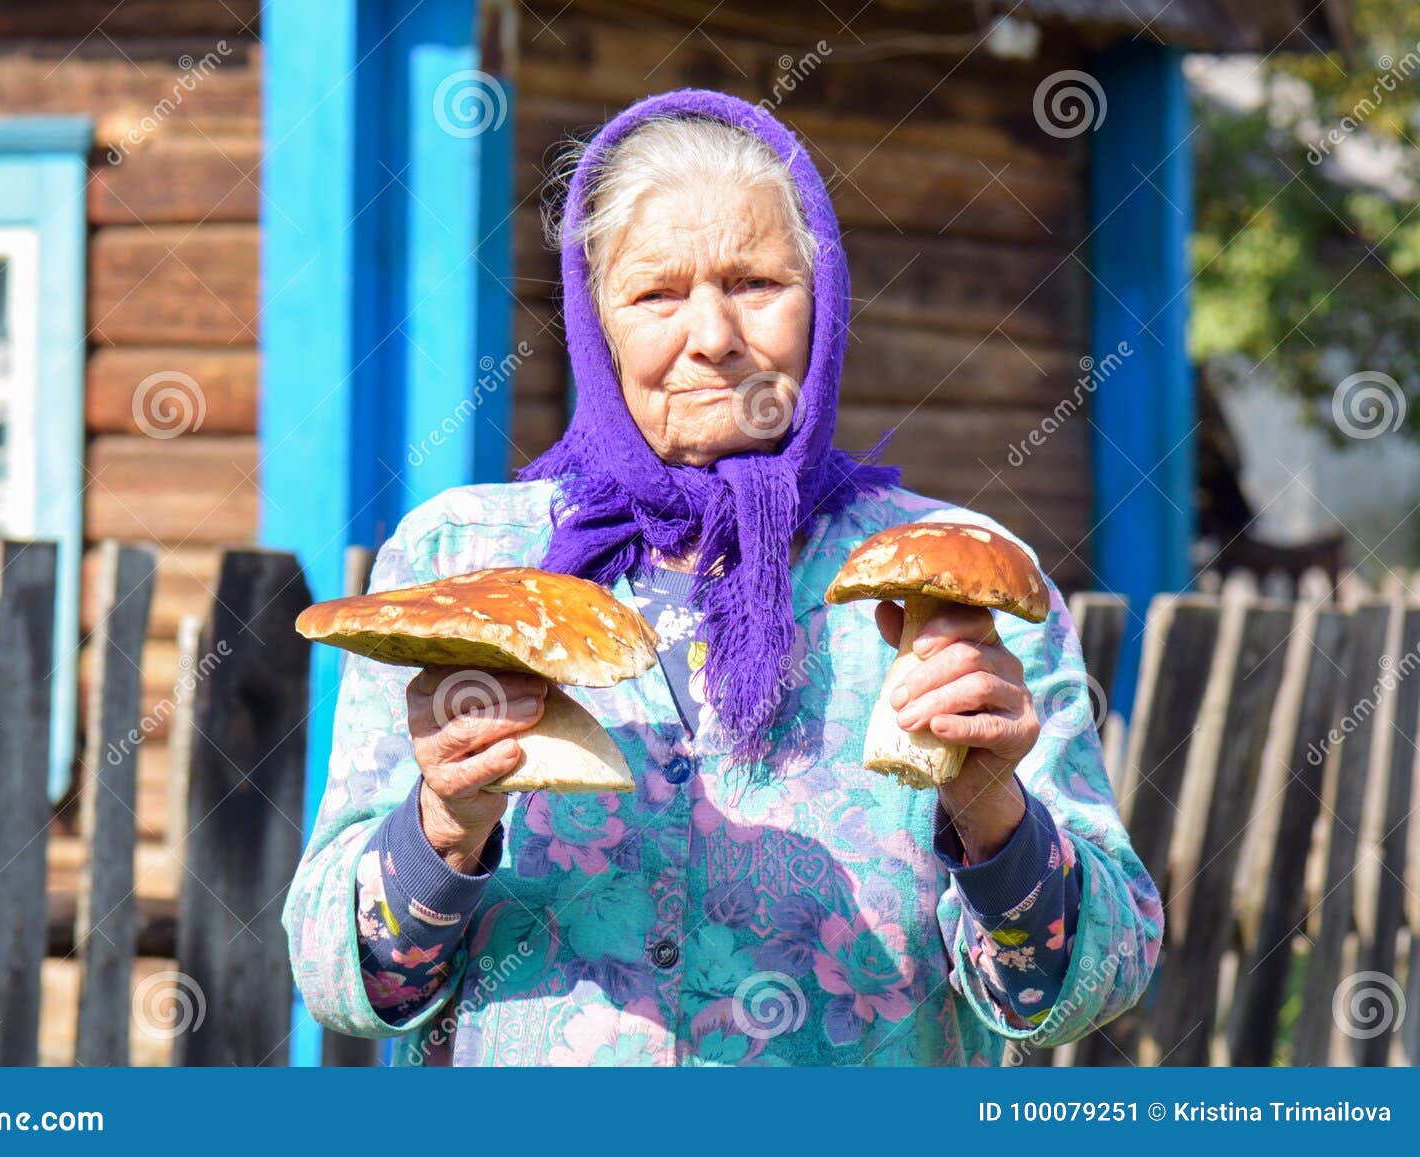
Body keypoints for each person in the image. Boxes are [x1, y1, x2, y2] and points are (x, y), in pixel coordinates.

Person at [282, 88, 1163, 1066]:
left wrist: (994, 809)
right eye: (656, 293)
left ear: (821, 300)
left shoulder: (953, 585)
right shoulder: (465, 566)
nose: (711, 336)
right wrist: (443, 823)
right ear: (594, 320)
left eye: (754, 282)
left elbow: (1086, 987)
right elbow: (340, 978)